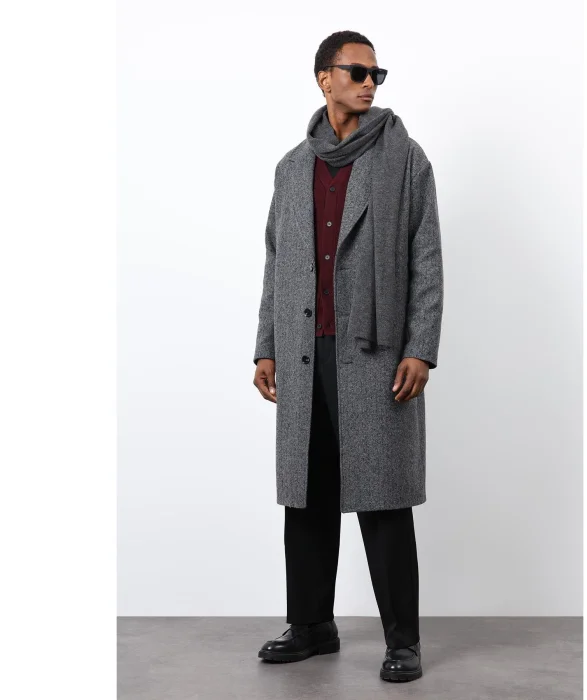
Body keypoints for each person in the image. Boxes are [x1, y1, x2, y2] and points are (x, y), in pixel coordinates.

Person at [252, 30, 444, 683]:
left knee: (383, 501)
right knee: (307, 498)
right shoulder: (291, 168)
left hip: (376, 354)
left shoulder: (404, 160)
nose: (369, 83)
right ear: (324, 78)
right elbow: (276, 265)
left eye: (376, 74)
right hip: (305, 353)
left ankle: (403, 642)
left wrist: (420, 348)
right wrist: (266, 347)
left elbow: (426, 260)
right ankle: (311, 624)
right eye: (357, 71)